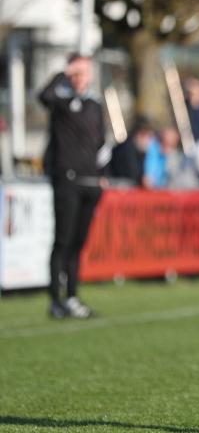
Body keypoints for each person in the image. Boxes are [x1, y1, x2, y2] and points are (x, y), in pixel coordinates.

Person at [37, 54, 105, 319]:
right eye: (76, 72)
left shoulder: (94, 105)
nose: (80, 77)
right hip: (67, 180)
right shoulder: (61, 102)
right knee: (62, 241)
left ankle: (73, 297)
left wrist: (102, 175)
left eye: (84, 72)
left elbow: (101, 143)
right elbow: (44, 96)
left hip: (90, 182)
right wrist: (62, 74)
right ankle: (56, 299)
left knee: (78, 243)